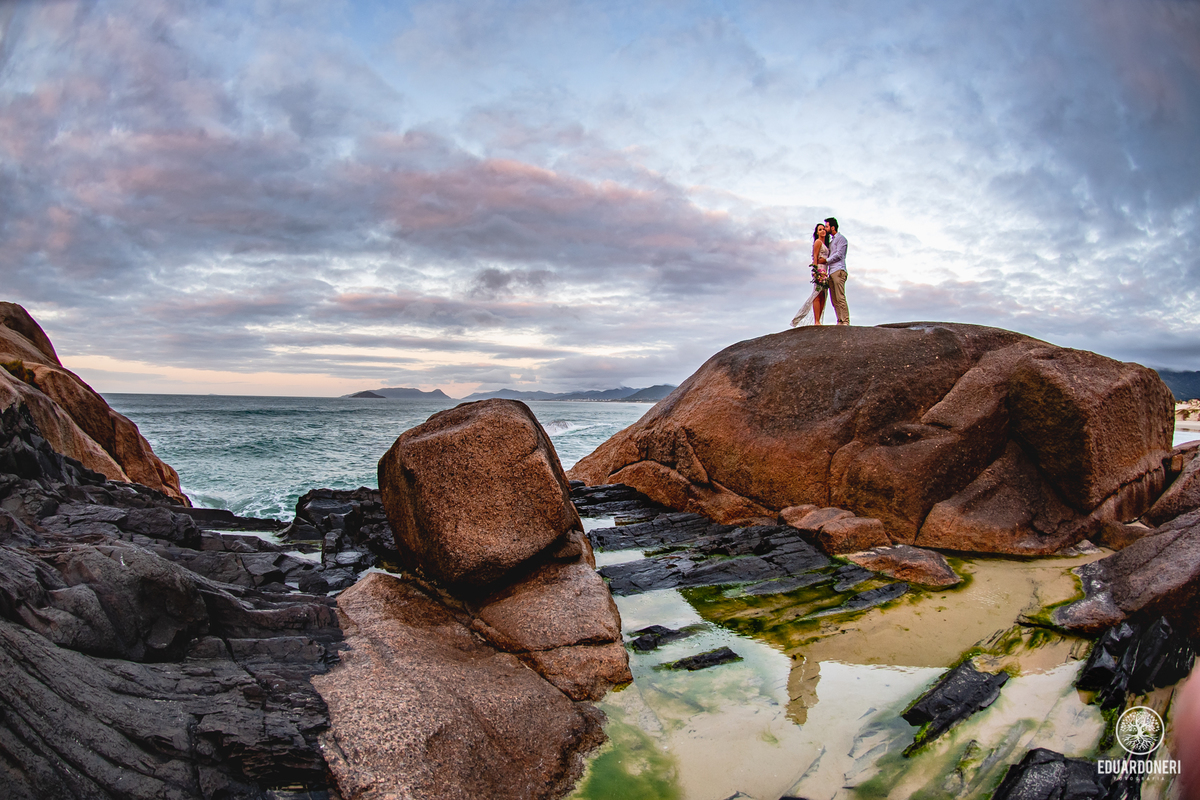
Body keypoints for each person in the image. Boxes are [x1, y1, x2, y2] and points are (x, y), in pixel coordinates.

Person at [790, 223, 831, 327]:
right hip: (820, 270)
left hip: (825, 270)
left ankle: (819, 320)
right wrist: (816, 272)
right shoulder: (817, 242)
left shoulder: (825, 243)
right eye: (820, 229)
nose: (823, 231)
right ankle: (816, 320)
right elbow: (815, 257)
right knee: (817, 294)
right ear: (817, 232)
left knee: (823, 295)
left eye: (823, 229)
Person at [824, 217, 849, 325]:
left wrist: (826, 261)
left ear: (832, 227)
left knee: (840, 297)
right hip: (831, 271)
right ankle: (840, 320)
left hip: (838, 270)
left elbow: (839, 254)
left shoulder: (841, 239)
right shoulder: (832, 241)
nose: (825, 228)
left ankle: (846, 321)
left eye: (827, 226)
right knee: (834, 299)